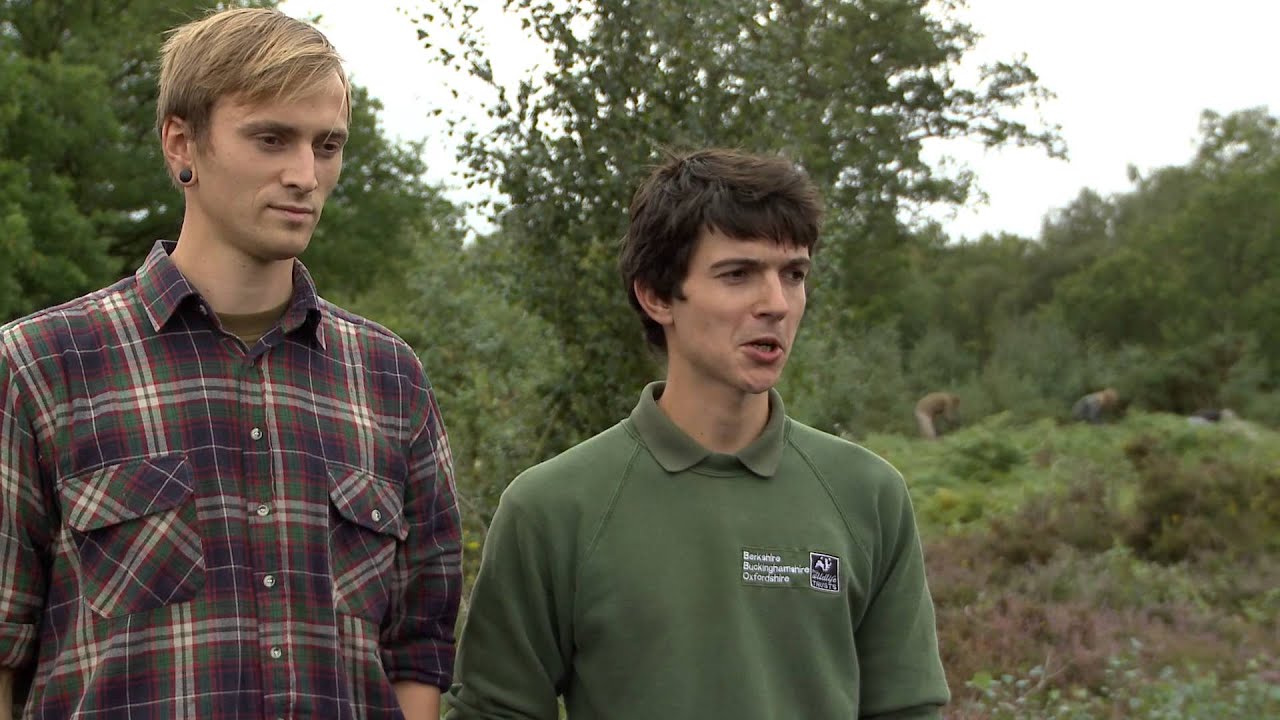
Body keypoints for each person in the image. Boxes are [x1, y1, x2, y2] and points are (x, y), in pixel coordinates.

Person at [0, 9, 461, 719]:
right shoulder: (41, 366)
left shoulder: (390, 380)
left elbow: (417, 651)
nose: (305, 174)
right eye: (271, 138)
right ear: (182, 142)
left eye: (327, 144)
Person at [446, 149, 949, 718]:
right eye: (738, 274)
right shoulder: (553, 508)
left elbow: (908, 708)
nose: (776, 305)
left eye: (794, 274)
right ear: (657, 296)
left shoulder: (869, 494)